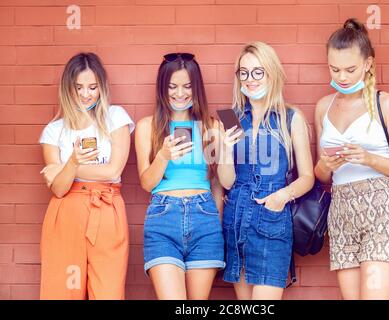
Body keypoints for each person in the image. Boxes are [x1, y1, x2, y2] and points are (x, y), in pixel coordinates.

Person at [314, 18, 389, 300]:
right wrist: (326, 165)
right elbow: (320, 174)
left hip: (382, 209)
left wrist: (369, 158)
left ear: (368, 64)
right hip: (341, 211)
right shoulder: (323, 107)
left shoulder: (386, 104)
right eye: (334, 69)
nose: (342, 77)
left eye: (350, 69)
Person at [218, 42, 314, 300]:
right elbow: (227, 182)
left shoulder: (290, 117)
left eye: (258, 72)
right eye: (244, 72)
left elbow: (307, 177)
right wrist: (225, 150)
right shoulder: (230, 117)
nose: (250, 79)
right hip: (236, 218)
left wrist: (281, 197)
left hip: (272, 220)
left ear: (272, 73)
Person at [39, 52, 134, 299]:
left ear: (102, 86)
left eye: (92, 87)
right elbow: (59, 189)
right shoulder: (54, 131)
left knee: (108, 291)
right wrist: (70, 162)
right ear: (67, 88)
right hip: (66, 212)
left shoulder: (115, 117)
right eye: (78, 87)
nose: (85, 94)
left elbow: (113, 170)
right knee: (63, 292)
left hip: (106, 208)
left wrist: (65, 169)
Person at [135, 53, 225, 300]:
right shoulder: (147, 127)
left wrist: (215, 221)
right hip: (163, 218)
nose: (180, 94)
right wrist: (163, 155)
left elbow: (219, 182)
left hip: (204, 217)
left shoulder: (213, 126)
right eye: (172, 87)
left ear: (197, 89)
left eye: (187, 86)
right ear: (162, 88)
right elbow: (146, 182)